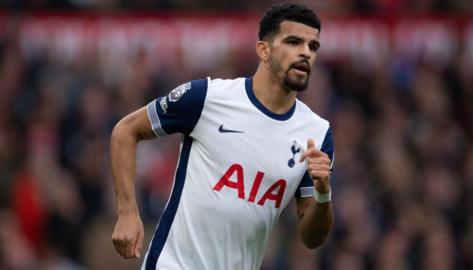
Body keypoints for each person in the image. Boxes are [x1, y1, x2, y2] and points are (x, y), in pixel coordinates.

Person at [110, 3, 334, 270]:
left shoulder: (316, 134)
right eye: (294, 42)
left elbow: (313, 238)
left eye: (313, 46)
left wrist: (323, 193)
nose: (305, 53)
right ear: (264, 49)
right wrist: (127, 212)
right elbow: (125, 130)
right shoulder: (207, 97)